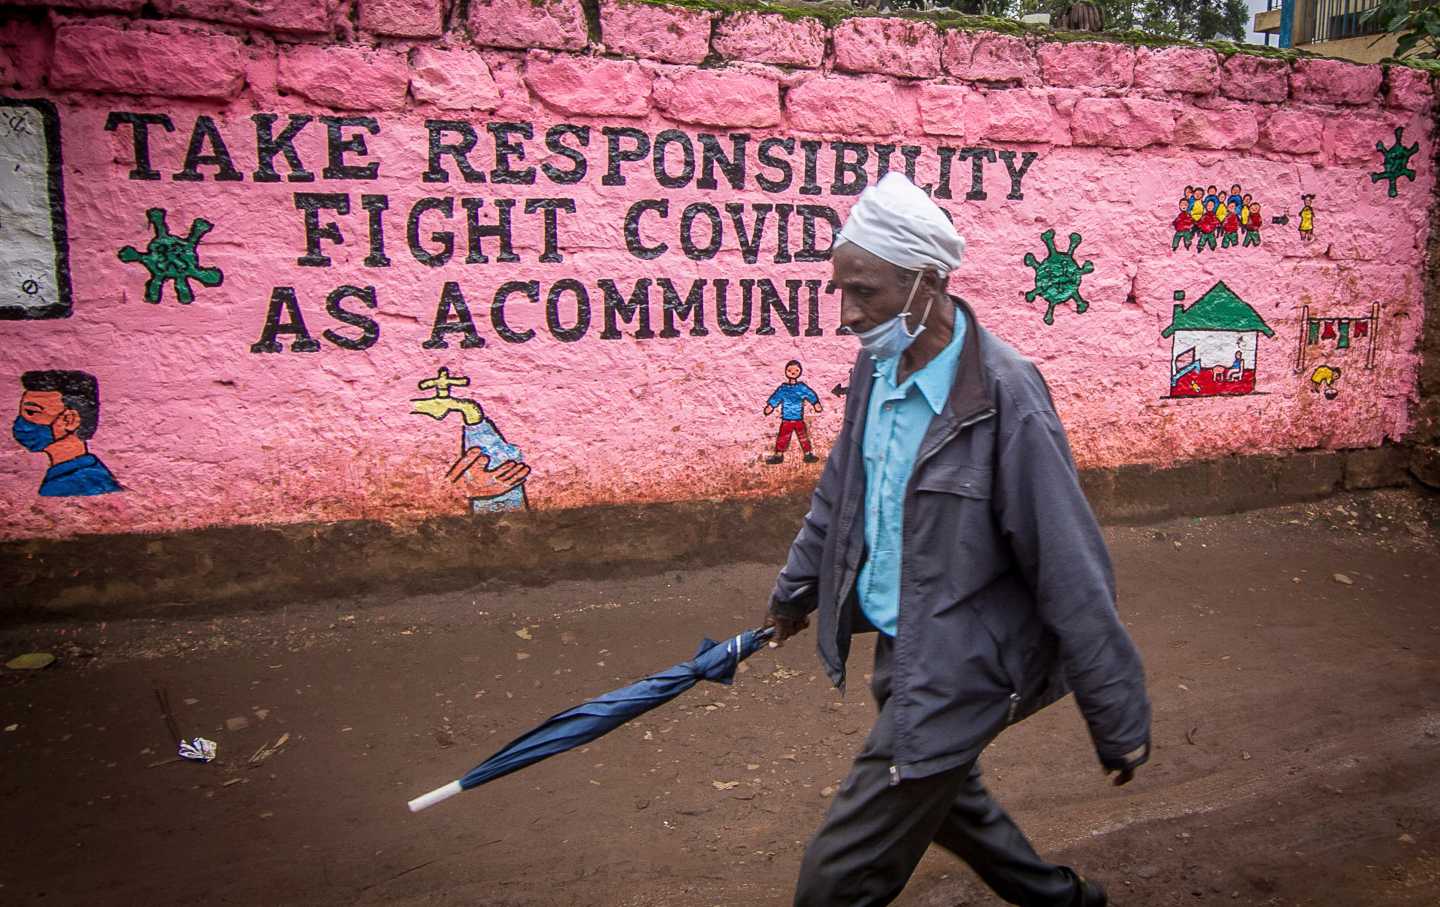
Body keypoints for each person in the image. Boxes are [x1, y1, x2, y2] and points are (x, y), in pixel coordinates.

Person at [764, 173, 1151, 907]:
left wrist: (1118, 714)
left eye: (866, 292)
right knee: (951, 800)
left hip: (963, 665)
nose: (847, 313)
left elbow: (1069, 562)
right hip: (899, 646)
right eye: (840, 290)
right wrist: (795, 593)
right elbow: (841, 491)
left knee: (833, 882)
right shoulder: (879, 363)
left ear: (928, 282)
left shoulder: (1005, 394)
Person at [13, 370, 121, 496]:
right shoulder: (67, 474)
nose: (22, 421)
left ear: (69, 420)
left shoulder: (77, 485)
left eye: (31, 412)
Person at [764, 360, 822, 465]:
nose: (793, 372)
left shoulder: (801, 387)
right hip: (787, 418)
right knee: (783, 437)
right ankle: (778, 455)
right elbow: (776, 397)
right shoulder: (783, 389)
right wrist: (770, 406)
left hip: (798, 418)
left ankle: (808, 454)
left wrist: (815, 403)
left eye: (796, 370)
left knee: (803, 436)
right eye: (790, 370)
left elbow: (810, 394)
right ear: (786, 371)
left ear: (800, 371)